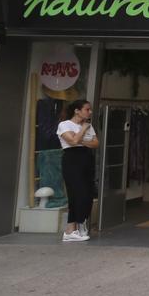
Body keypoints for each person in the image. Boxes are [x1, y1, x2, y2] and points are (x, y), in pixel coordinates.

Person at [58, 99, 98, 242]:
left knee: (88, 193)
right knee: (77, 193)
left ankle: (78, 224)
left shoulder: (89, 126)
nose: (90, 112)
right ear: (77, 110)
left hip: (86, 158)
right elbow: (72, 142)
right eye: (87, 109)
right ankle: (72, 228)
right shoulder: (65, 124)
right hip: (72, 160)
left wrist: (81, 139)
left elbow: (95, 143)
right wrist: (82, 130)